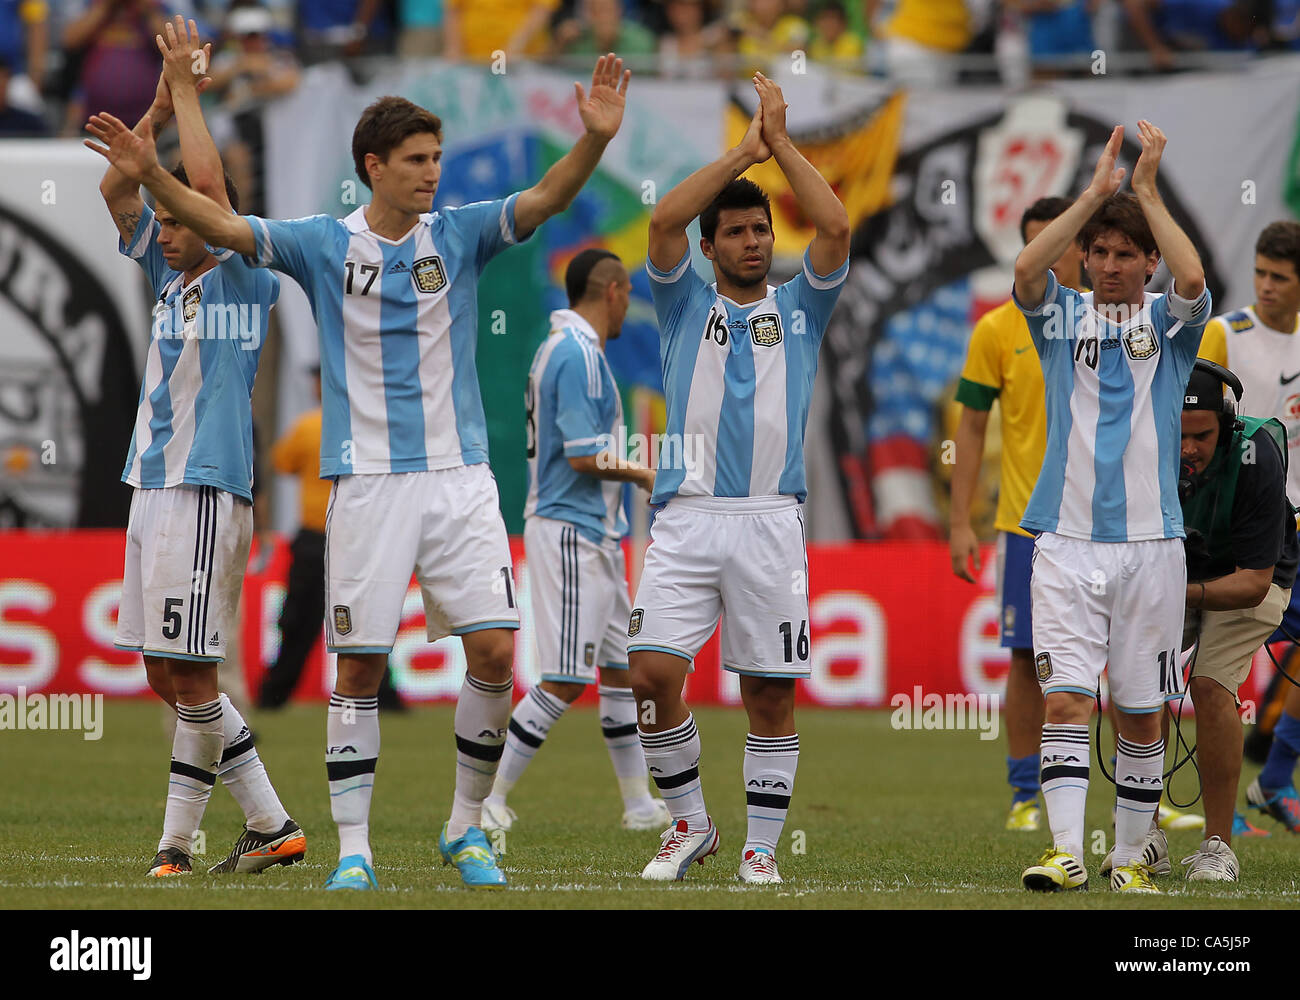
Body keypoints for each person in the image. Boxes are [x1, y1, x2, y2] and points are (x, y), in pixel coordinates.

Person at [86, 52, 632, 891]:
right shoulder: (320, 244)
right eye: (416, 161)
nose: (431, 174)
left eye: (437, 159)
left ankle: (465, 827)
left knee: (493, 650)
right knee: (359, 669)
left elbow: (549, 197)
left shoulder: (463, 231)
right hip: (367, 481)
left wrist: (592, 141)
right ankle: (352, 850)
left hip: (459, 474)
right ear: (372, 166)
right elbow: (228, 226)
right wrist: (154, 165)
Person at [629, 72, 850, 884]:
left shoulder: (802, 307)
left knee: (769, 695)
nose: (754, 241)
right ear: (710, 246)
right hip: (686, 517)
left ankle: (760, 848)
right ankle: (691, 823)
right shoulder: (683, 302)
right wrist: (741, 152)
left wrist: (782, 145)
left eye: (761, 230)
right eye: (737, 232)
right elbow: (662, 217)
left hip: (769, 521)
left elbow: (833, 225)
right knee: (649, 676)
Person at [99, 17, 303, 878]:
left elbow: (211, 194)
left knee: (189, 674)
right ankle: (211, 840)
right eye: (166, 216)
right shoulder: (163, 270)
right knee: (165, 672)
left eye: (176, 215)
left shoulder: (239, 266)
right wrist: (150, 106)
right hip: (152, 483)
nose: (164, 225)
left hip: (205, 485)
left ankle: (240, 830)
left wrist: (184, 89)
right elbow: (118, 193)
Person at [1012, 121, 1211, 895]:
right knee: (1065, 697)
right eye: (1099, 252)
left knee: (1139, 711)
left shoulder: (1168, 324)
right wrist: (1095, 195)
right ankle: (1064, 851)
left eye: (1126, 253)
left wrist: (1148, 193)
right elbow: (1027, 269)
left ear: (1146, 261)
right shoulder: (1061, 318)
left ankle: (1128, 858)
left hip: (1152, 547)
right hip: (1064, 540)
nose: (1109, 265)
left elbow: (1194, 280)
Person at [480, 250, 670, 834]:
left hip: (595, 532)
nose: (628, 303)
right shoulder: (578, 355)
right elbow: (583, 454)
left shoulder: (561, 349)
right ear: (610, 291)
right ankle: (488, 799)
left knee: (620, 670)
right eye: (627, 291)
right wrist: (644, 470)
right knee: (564, 677)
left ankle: (637, 802)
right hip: (570, 531)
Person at [950, 196, 1082, 834]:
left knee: (1122, 658)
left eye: (1056, 243)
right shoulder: (998, 330)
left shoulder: (1116, 322)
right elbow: (970, 429)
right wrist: (959, 522)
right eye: (1032, 246)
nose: (1044, 257)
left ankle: (1138, 792)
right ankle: (1025, 793)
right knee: (1030, 658)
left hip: (1111, 524)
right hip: (1027, 523)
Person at [1173, 360, 1297, 879]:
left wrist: (1180, 595)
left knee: (1208, 683)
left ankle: (1217, 845)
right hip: (1178, 571)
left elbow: (1253, 580)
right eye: (1178, 435)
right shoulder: (1142, 438)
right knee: (1134, 673)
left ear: (1227, 421)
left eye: (1201, 435)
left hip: (1254, 576)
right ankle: (1140, 830)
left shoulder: (1257, 451)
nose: (1187, 450)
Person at [1198, 220, 1300, 833]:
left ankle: (1276, 777)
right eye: (1259, 272)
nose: (1264, 285)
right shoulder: (1226, 334)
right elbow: (1191, 423)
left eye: (1280, 278)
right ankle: (1208, 807)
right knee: (1207, 671)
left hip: (1294, 526)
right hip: (1229, 528)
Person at [256, 367, 405, 711]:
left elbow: (282, 464)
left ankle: (275, 694)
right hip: (357, 537)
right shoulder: (369, 428)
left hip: (315, 536)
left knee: (298, 622)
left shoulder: (308, 426)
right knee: (366, 621)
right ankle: (385, 696)